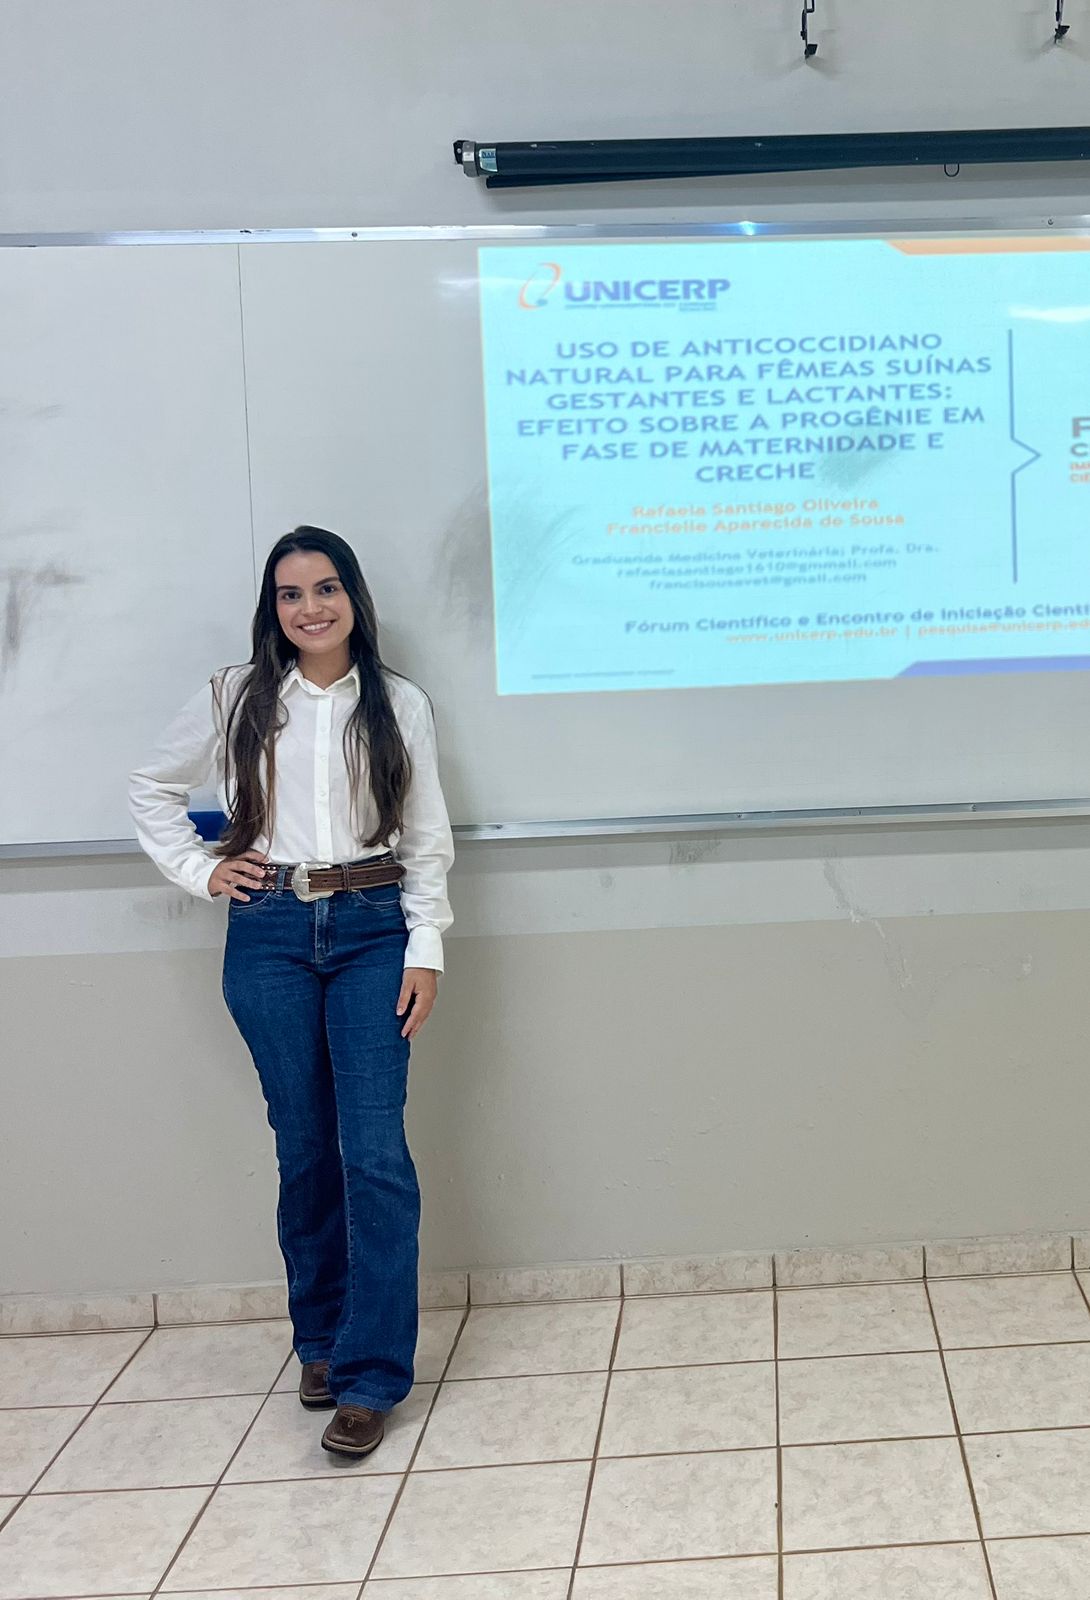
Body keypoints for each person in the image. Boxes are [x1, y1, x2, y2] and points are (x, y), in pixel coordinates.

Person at [129, 525, 453, 1460]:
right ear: (272, 609)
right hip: (268, 933)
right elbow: (151, 785)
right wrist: (203, 871)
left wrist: (424, 945)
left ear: (354, 597)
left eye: (326, 588)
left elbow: (426, 836)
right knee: (305, 1149)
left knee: (375, 1154)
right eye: (290, 593)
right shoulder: (235, 695)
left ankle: (370, 1376)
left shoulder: (399, 703)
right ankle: (320, 1343)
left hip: (373, 929)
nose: (310, 608)